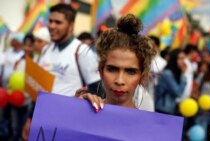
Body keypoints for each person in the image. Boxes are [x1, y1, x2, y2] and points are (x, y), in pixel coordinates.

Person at [21, 4, 101, 140]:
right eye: (50, 21)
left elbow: (97, 90)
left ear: (71, 25)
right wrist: (30, 118)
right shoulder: (46, 50)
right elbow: (39, 90)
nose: (52, 26)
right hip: (42, 121)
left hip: (68, 125)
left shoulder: (82, 52)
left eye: (58, 22)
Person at [75, 14, 156, 111]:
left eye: (130, 72)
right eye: (112, 69)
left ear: (142, 76)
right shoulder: (84, 111)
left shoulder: (148, 125)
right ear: (101, 71)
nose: (119, 81)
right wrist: (74, 111)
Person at [154, 48, 187, 115]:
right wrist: (183, 75)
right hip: (162, 108)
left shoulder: (176, 73)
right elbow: (178, 93)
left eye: (184, 59)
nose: (183, 61)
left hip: (169, 108)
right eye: (180, 58)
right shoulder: (168, 74)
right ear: (174, 59)